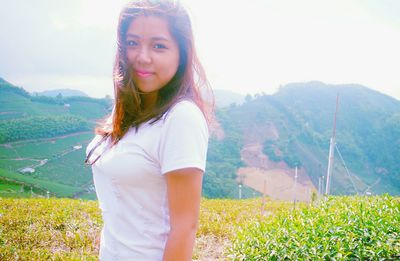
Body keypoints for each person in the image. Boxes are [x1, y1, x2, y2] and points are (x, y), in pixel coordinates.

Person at [85, 0, 213, 260]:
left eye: (159, 45)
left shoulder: (181, 118)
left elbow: (185, 227)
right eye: (133, 43)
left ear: (182, 54)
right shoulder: (129, 113)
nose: (142, 57)